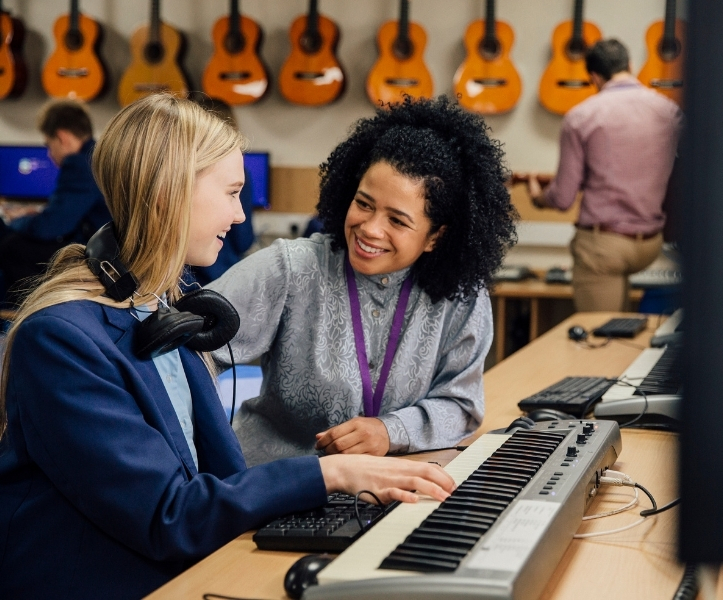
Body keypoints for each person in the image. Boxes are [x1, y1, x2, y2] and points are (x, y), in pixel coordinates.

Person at [0, 94, 454, 599]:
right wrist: (332, 473)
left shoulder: (163, 308)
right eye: (233, 192)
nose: (240, 216)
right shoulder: (61, 340)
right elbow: (167, 514)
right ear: (168, 194)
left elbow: (209, 483)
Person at [208, 95, 518, 466]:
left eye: (397, 221)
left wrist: (391, 431)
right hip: (278, 488)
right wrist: (205, 449)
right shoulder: (292, 268)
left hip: (390, 488)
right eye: (364, 204)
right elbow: (184, 351)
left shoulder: (461, 297)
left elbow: (461, 404)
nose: (370, 229)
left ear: (436, 236)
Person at [521, 39, 682, 312]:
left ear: (594, 77)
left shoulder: (581, 116)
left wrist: (537, 197)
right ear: (630, 66)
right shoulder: (669, 111)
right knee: (622, 333)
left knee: (597, 339)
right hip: (650, 243)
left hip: (604, 247)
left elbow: (562, 198)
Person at [0, 99, 111, 307]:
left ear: (62, 138)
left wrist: (16, 221)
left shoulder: (80, 164)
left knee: (11, 246)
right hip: (102, 243)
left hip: (95, 252)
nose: (50, 154)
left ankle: (23, 313)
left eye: (49, 145)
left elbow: (49, 227)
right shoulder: (96, 155)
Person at [187, 94, 256, 286]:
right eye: (232, 193)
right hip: (220, 279)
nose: (239, 215)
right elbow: (244, 240)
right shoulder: (239, 173)